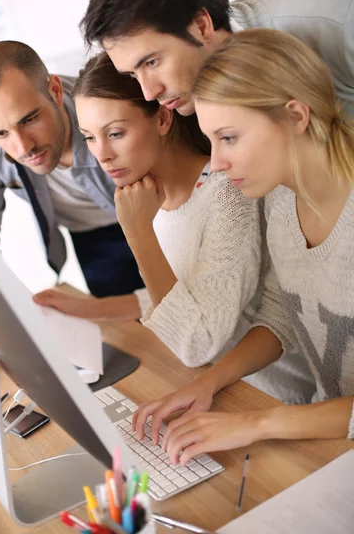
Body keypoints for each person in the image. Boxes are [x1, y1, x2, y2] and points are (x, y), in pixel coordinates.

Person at [34, 52, 315, 404]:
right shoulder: (152, 197)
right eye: (89, 137)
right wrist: (92, 309)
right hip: (214, 389)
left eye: (116, 133)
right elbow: (185, 290)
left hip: (270, 395)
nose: (101, 155)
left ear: (163, 118)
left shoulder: (228, 193)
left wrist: (138, 234)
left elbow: (197, 343)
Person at [133, 29, 354, 462]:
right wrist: (208, 383)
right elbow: (284, 312)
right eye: (211, 140)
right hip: (331, 445)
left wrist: (255, 424)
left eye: (229, 138)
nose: (216, 163)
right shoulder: (279, 194)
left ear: (295, 116)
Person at [0, 41, 144, 416]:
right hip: (93, 237)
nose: (22, 146)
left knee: (185, 328)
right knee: (139, 348)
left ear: (55, 90)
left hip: (156, 217)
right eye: (1, 134)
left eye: (28, 119)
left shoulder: (101, 106)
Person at [80, 0, 354, 117]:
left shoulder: (338, 20)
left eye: (151, 62)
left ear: (201, 26)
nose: (150, 93)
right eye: (132, 74)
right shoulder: (190, 100)